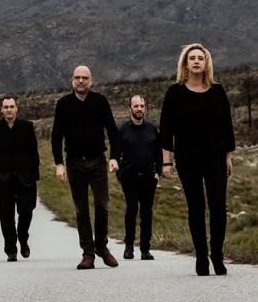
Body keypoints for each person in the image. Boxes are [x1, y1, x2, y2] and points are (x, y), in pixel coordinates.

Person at [159, 43, 236, 276]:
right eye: (191, 58)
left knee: (218, 207)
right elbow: (166, 130)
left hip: (215, 156)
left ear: (206, 63)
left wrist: (228, 157)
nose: (195, 61)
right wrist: (166, 162)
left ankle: (217, 255)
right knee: (196, 207)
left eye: (200, 58)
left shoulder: (217, 91)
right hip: (187, 157)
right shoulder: (175, 93)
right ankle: (201, 256)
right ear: (185, 63)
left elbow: (227, 126)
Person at [51, 65, 121, 270]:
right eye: (77, 78)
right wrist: (59, 164)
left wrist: (114, 157)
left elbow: (113, 132)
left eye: (85, 78)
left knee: (102, 206)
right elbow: (56, 135)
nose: (81, 81)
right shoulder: (63, 104)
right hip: (74, 162)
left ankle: (102, 246)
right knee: (81, 209)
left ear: (91, 81)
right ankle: (88, 253)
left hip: (97, 161)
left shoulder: (100, 102)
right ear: (72, 80)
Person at [0, 96, 40, 261]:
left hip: (25, 177)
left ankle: (23, 237)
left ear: (17, 108)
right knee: (6, 214)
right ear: (1, 110)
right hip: (3, 179)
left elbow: (34, 153)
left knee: (26, 210)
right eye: (6, 107)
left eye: (11, 106)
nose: (9, 110)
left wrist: (34, 175)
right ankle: (11, 249)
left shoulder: (27, 126)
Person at [115, 94, 160, 260]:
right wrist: (120, 173)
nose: (139, 109)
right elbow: (115, 153)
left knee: (147, 212)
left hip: (149, 177)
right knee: (132, 209)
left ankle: (145, 249)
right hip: (129, 177)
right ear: (130, 109)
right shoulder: (122, 130)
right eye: (136, 106)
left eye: (142, 106)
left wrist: (158, 172)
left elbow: (158, 153)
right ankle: (128, 247)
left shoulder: (152, 129)